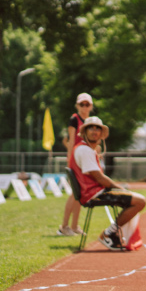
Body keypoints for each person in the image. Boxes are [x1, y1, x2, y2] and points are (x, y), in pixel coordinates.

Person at [69, 116, 146, 250]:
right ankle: (109, 234)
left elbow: (99, 178)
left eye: (97, 128)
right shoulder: (84, 150)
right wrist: (120, 188)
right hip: (93, 194)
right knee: (140, 201)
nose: (94, 131)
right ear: (85, 132)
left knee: (133, 198)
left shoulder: (85, 149)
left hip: (95, 192)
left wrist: (121, 189)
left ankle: (112, 233)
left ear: (101, 133)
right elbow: (99, 178)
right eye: (91, 128)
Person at [57, 93, 93, 236]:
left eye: (87, 104)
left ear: (91, 106)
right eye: (81, 104)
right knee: (75, 193)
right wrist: (70, 159)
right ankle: (64, 226)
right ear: (77, 106)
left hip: (86, 161)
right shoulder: (75, 119)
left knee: (81, 194)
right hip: (76, 161)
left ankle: (74, 226)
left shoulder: (91, 121)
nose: (84, 107)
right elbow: (71, 141)